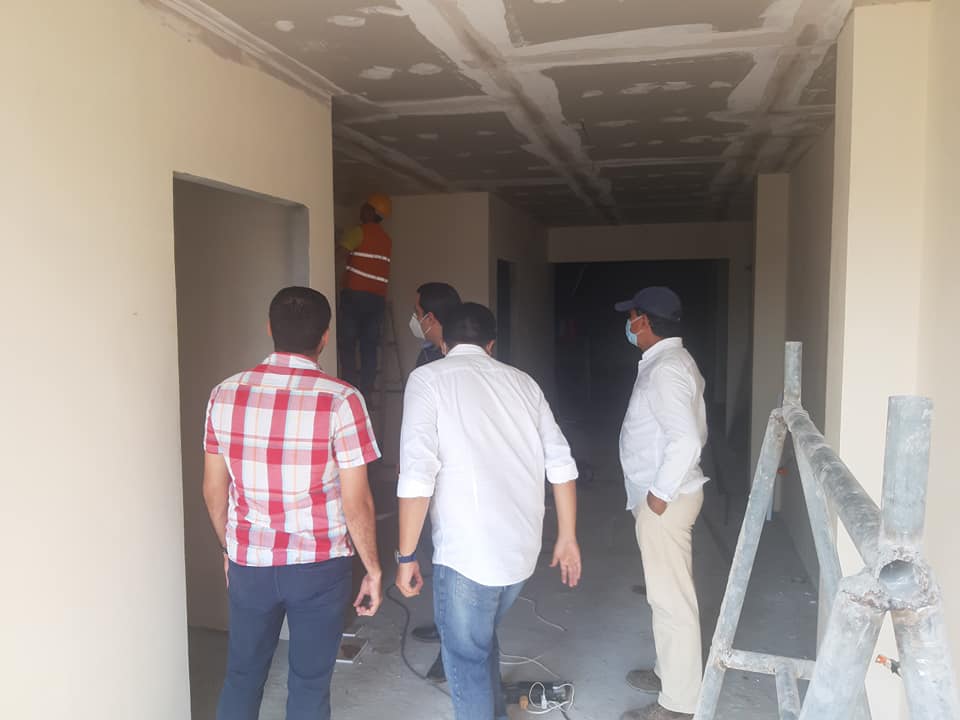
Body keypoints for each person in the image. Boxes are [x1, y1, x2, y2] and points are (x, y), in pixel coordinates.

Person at [395, 302, 582, 720]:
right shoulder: (524, 383)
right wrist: (567, 536)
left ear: (444, 343)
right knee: (480, 638)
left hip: (466, 553)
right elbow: (561, 463)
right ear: (492, 344)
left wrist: (406, 555)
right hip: (521, 549)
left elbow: (418, 473)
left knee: (465, 658)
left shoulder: (428, 379)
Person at [203, 286, 383, 720]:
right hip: (318, 566)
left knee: (242, 677)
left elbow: (213, 488)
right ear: (325, 336)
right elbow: (356, 502)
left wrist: (229, 547)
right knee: (309, 683)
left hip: (250, 562)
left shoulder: (225, 393)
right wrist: (374, 570)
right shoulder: (343, 399)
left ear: (270, 328)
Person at [616, 287, 708, 720]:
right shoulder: (669, 362)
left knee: (672, 603)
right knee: (665, 596)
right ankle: (667, 673)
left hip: (666, 503)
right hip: (665, 498)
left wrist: (658, 494)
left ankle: (679, 705)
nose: (628, 325)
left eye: (632, 317)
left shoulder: (666, 369)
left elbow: (685, 439)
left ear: (644, 321)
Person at [406, 282, 463, 681]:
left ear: (431, 317)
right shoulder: (427, 355)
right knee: (437, 555)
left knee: (456, 565)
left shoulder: (463, 357)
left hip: (456, 475)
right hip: (431, 473)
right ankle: (445, 626)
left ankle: (452, 652)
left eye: (417, 312)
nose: (414, 320)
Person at [338, 193, 393, 398]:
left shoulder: (359, 232)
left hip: (355, 297)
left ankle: (349, 393)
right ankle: (366, 394)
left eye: (364, 207)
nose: (361, 211)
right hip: (377, 300)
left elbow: (338, 254)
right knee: (369, 347)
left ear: (371, 212)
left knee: (348, 345)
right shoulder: (386, 240)